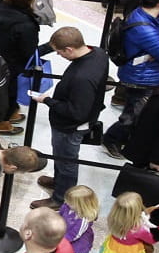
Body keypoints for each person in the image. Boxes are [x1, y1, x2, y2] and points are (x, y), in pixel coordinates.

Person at [33, 28, 109, 208]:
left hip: (70, 127)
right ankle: (59, 182)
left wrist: (47, 100)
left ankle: (60, 198)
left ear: (69, 49)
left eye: (59, 52)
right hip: (81, 118)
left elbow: (77, 112)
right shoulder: (98, 53)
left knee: (67, 160)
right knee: (61, 157)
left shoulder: (82, 77)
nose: (59, 55)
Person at [103, 0, 159, 157]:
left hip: (144, 73)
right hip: (139, 79)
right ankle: (112, 139)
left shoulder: (148, 14)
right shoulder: (144, 28)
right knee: (134, 114)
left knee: (136, 111)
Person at [0, 0, 40, 135]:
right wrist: (49, 47)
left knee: (4, 89)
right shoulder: (26, 25)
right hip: (14, 62)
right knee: (10, 90)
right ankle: (2, 122)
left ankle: (12, 111)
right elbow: (28, 50)